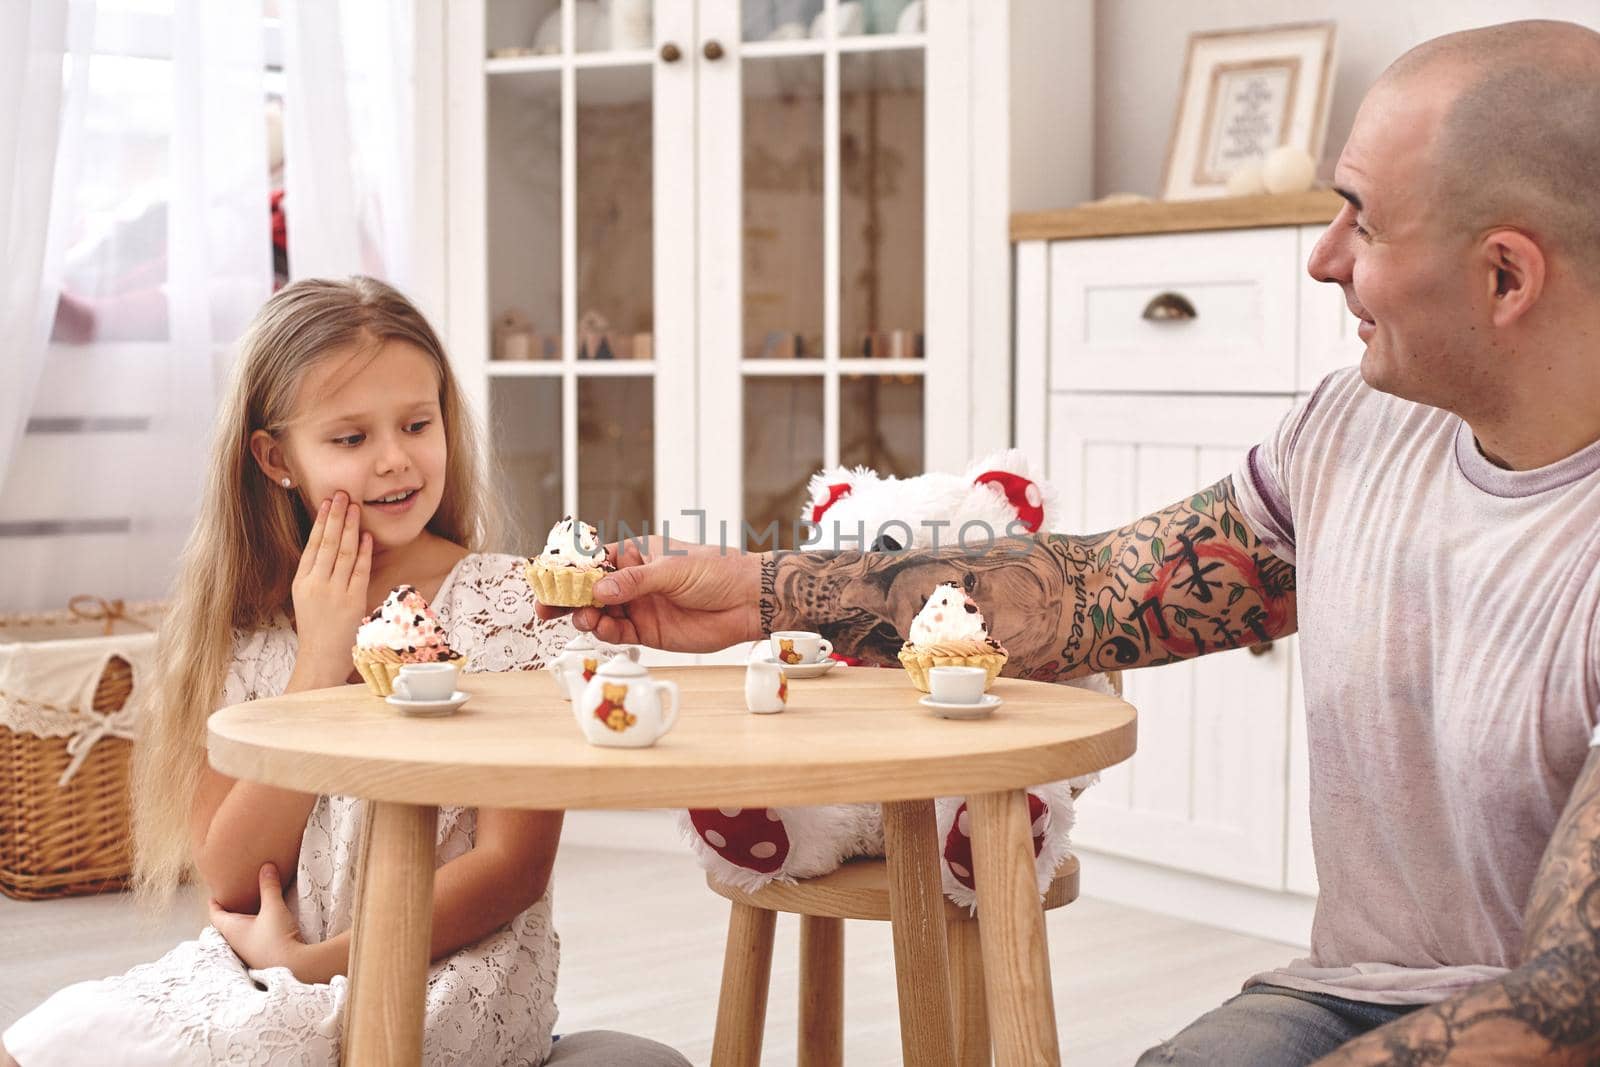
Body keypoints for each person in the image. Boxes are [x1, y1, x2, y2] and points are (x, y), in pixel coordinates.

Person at [537, 20, 1600, 1065]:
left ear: (1504, 277)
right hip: (1342, 994)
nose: (1322, 258)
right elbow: (1101, 588)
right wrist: (763, 589)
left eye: (1361, 223)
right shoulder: (1356, 428)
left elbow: (1565, 1011)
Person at [3, 278, 689, 1067]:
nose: (395, 459)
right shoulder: (250, 629)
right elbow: (230, 877)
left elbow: (513, 867)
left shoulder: (507, 606)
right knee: (52, 1034)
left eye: (416, 423)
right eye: (350, 439)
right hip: (260, 970)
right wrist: (321, 660)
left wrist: (310, 965)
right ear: (276, 458)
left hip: (442, 980)